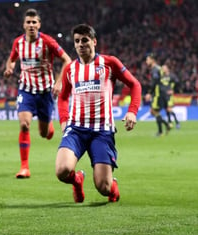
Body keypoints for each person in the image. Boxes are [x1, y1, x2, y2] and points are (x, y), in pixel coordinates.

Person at [55, 23, 142, 203]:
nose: (80, 44)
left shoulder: (109, 63)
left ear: (94, 41)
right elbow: (62, 97)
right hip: (76, 129)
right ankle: (77, 180)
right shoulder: (70, 69)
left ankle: (112, 187)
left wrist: (132, 111)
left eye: (85, 40)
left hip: (102, 131)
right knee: (62, 171)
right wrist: (64, 120)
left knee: (104, 188)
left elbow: (135, 85)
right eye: (77, 41)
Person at [3, 8, 71, 178]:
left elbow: (67, 60)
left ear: (39, 25)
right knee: (24, 124)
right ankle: (24, 167)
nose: (31, 25)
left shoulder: (48, 42)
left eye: (34, 22)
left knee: (44, 134)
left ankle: (49, 128)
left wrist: (59, 81)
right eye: (28, 22)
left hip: (45, 92)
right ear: (23, 25)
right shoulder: (18, 43)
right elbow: (11, 58)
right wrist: (9, 68)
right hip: (26, 90)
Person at [145, 54, 171, 137]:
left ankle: (162, 130)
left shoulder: (155, 69)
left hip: (157, 93)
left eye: (148, 60)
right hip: (161, 92)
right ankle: (166, 126)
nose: (146, 62)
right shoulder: (159, 68)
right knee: (154, 111)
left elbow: (155, 82)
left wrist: (149, 92)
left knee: (154, 111)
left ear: (152, 60)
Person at [161, 64, 180, 129]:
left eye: (164, 68)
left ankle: (177, 122)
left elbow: (178, 83)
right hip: (163, 96)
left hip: (169, 96)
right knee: (167, 110)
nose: (163, 69)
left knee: (169, 109)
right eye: (162, 68)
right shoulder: (161, 76)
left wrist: (173, 90)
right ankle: (170, 122)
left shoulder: (172, 76)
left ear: (167, 69)